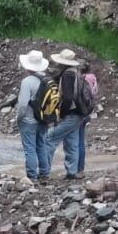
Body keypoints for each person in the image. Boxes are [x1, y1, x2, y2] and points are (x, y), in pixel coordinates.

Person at [43, 48, 85, 180]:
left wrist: (61, 114)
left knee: (49, 138)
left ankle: (44, 172)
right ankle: (72, 172)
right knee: (72, 142)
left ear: (62, 63)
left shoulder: (67, 75)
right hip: (79, 113)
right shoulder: (76, 72)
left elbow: (67, 98)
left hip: (70, 114)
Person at [15, 49, 51, 181]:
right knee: (41, 146)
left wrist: (19, 118)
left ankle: (32, 176)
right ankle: (44, 173)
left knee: (30, 149)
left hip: (29, 120)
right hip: (43, 119)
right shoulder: (47, 80)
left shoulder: (27, 82)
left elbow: (23, 104)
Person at [75, 61, 98, 176]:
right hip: (87, 112)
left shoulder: (82, 79)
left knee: (76, 141)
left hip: (80, 112)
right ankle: (81, 168)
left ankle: (77, 168)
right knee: (81, 140)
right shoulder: (93, 78)